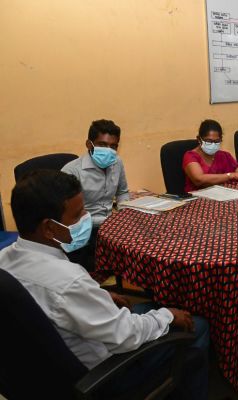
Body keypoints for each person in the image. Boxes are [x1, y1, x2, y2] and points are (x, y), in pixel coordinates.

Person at [0, 170, 209, 399]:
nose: (86, 218)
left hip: (38, 372)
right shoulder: (69, 281)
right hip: (106, 374)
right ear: (49, 228)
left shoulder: (4, 258)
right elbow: (126, 336)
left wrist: (96, 295)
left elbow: (52, 299)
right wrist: (168, 315)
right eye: (77, 215)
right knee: (196, 324)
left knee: (144, 308)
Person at [61, 119, 129, 270]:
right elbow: (68, 215)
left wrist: (123, 214)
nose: (108, 150)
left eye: (113, 146)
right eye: (102, 145)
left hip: (110, 225)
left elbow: (122, 192)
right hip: (83, 230)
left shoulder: (117, 162)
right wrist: (109, 221)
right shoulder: (72, 171)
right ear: (89, 144)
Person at [183, 119, 238, 192]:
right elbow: (199, 179)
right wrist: (230, 175)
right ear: (199, 139)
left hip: (224, 193)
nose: (213, 144)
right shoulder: (190, 156)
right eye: (209, 141)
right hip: (198, 196)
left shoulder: (225, 156)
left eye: (217, 141)